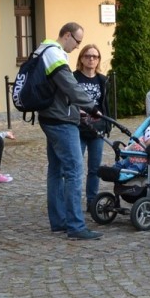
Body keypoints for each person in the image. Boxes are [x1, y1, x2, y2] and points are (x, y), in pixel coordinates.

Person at [35, 23, 102, 240]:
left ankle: (59, 222)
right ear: (67, 35)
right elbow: (70, 87)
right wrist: (91, 106)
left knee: (56, 170)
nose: (77, 47)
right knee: (74, 170)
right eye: (78, 41)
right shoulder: (55, 54)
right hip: (61, 120)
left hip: (50, 117)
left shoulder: (42, 50)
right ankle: (75, 226)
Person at [73, 43, 110, 212]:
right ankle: (73, 202)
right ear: (81, 58)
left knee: (95, 168)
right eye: (88, 56)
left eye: (95, 56)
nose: (91, 59)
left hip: (97, 129)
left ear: (98, 60)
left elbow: (106, 105)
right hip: (78, 128)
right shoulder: (74, 78)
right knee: (76, 167)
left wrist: (107, 124)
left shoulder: (102, 80)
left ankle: (91, 201)